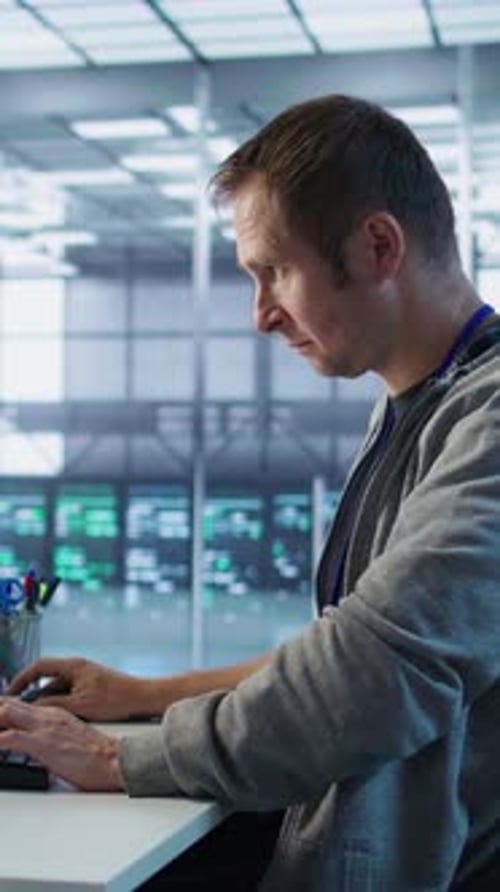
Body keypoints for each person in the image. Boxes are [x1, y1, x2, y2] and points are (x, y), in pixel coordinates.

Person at [1, 93, 500, 891]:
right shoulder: (419, 404)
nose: (261, 315)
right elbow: (348, 641)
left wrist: (117, 756)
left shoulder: (490, 419)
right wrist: (143, 695)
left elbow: (374, 676)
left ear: (378, 246)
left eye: (273, 271)